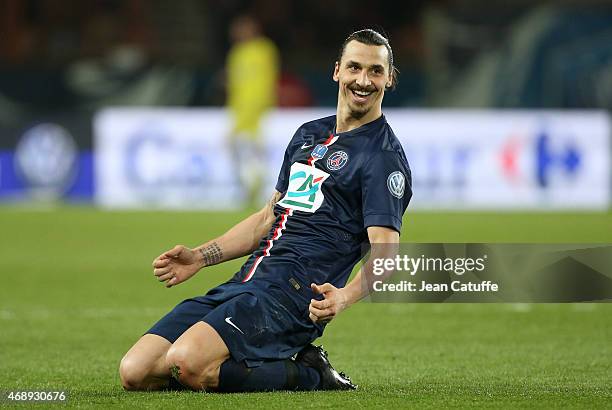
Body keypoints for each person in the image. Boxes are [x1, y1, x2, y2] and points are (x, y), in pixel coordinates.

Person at [119, 28, 412, 392]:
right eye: (354, 68)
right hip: (249, 282)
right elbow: (267, 218)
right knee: (136, 372)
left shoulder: (382, 158)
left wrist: (344, 297)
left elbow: (387, 253)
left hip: (293, 296)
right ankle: (222, 367)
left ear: (390, 79)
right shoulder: (309, 135)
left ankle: (311, 375)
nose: (363, 80)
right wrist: (199, 257)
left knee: (187, 362)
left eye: (375, 71)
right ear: (337, 71)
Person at [226, 15, 279, 207]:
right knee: (235, 147)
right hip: (239, 109)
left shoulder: (265, 49)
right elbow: (234, 83)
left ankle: (258, 187)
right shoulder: (236, 53)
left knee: (255, 148)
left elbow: (269, 79)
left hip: (259, 109)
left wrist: (265, 103)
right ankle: (247, 186)